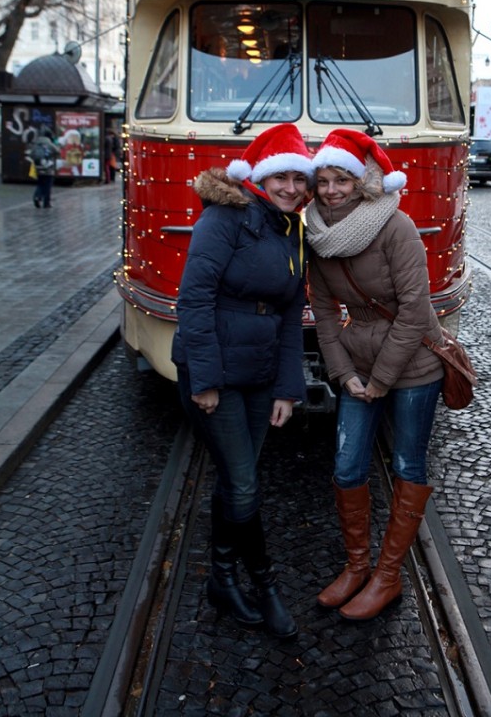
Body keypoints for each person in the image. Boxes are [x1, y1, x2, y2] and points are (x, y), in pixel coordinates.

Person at [171, 123, 313, 640]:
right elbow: (194, 299)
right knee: (245, 483)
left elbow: (292, 313)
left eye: (301, 179)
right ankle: (265, 583)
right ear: (261, 178)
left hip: (258, 373)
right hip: (214, 372)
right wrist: (204, 380)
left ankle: (222, 580)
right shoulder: (223, 217)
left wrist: (286, 387)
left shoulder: (292, 229)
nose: (292, 188)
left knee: (237, 482)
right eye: (283, 178)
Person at [305, 128, 445, 622]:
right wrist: (344, 376)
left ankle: (387, 577)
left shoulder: (395, 226)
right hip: (359, 367)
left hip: (414, 366)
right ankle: (357, 566)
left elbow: (415, 310)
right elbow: (323, 314)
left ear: (362, 182)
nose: (330, 190)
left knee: (408, 465)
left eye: (341, 179)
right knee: (347, 468)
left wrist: (381, 380)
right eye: (322, 180)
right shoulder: (316, 234)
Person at [29, 127, 58, 208]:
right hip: (48, 168)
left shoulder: (36, 143)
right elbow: (57, 151)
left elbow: (31, 154)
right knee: (48, 185)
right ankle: (46, 203)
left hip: (38, 167)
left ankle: (37, 196)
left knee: (40, 183)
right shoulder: (49, 144)